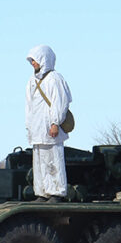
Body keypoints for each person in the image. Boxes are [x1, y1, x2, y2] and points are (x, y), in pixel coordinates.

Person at [25, 44, 72, 202]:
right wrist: (29, 126)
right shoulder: (32, 81)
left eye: (35, 60)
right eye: (31, 60)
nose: (33, 63)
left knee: (53, 160)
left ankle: (57, 192)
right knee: (39, 162)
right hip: (37, 128)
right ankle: (42, 192)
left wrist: (55, 123)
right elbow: (29, 106)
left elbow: (60, 102)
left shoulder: (54, 78)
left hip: (50, 127)